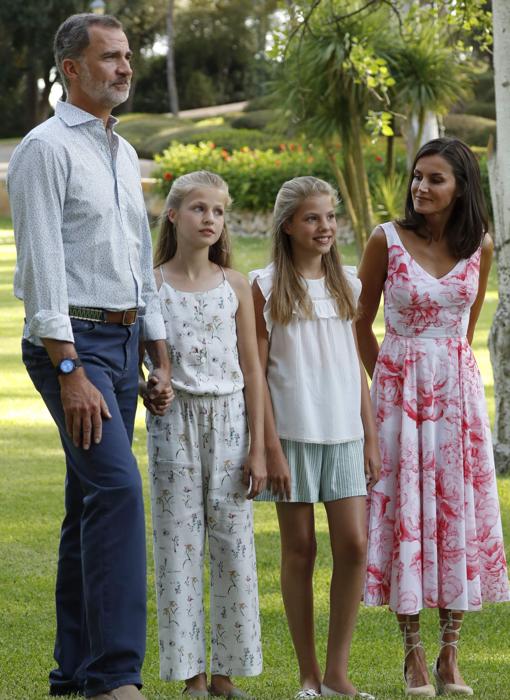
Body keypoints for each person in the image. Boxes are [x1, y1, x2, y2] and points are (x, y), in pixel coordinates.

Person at [7, 13, 172, 700]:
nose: (125, 67)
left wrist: (159, 352)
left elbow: (138, 259)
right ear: (71, 69)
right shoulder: (44, 149)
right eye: (109, 58)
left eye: (128, 56)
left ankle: (73, 673)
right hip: (72, 346)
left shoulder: (122, 151)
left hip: (125, 341)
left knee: (88, 502)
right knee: (118, 490)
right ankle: (114, 676)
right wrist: (71, 368)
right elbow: (43, 264)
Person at [356, 137, 510, 697]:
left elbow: (465, 332)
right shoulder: (386, 240)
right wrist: (388, 384)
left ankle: (451, 656)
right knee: (407, 516)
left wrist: (450, 378)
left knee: (456, 517)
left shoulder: (481, 248)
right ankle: (414, 655)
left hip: (459, 403)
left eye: (435, 179)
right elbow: (360, 322)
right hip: (399, 402)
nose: (421, 187)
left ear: (462, 186)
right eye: (417, 177)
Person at [250, 176, 380, 700]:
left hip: (345, 433)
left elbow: (354, 366)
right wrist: (271, 446)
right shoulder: (263, 287)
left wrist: (370, 436)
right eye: (312, 218)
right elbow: (256, 373)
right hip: (293, 436)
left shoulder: (349, 282)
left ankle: (337, 674)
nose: (325, 227)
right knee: (299, 549)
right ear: (287, 226)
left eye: (329, 217)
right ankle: (308, 677)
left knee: (354, 544)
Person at [142, 170, 265, 698]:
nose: (209, 219)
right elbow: (144, 361)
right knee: (177, 547)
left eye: (217, 211)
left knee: (233, 546)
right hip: (175, 425)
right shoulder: (150, 283)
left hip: (232, 421)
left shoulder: (235, 284)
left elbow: (254, 369)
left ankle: (225, 675)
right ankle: (191, 675)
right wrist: (152, 387)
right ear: (173, 215)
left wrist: (259, 446)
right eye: (198, 209)